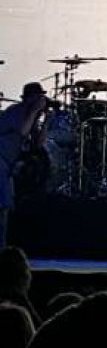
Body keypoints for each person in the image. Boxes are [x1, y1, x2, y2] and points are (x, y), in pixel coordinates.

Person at [0, 82, 48, 249]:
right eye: (39, 97)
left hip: (7, 166)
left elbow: (39, 144)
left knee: (5, 206)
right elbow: (22, 132)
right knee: (3, 205)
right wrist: (35, 111)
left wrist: (47, 120)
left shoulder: (32, 118)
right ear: (30, 99)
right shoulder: (16, 111)